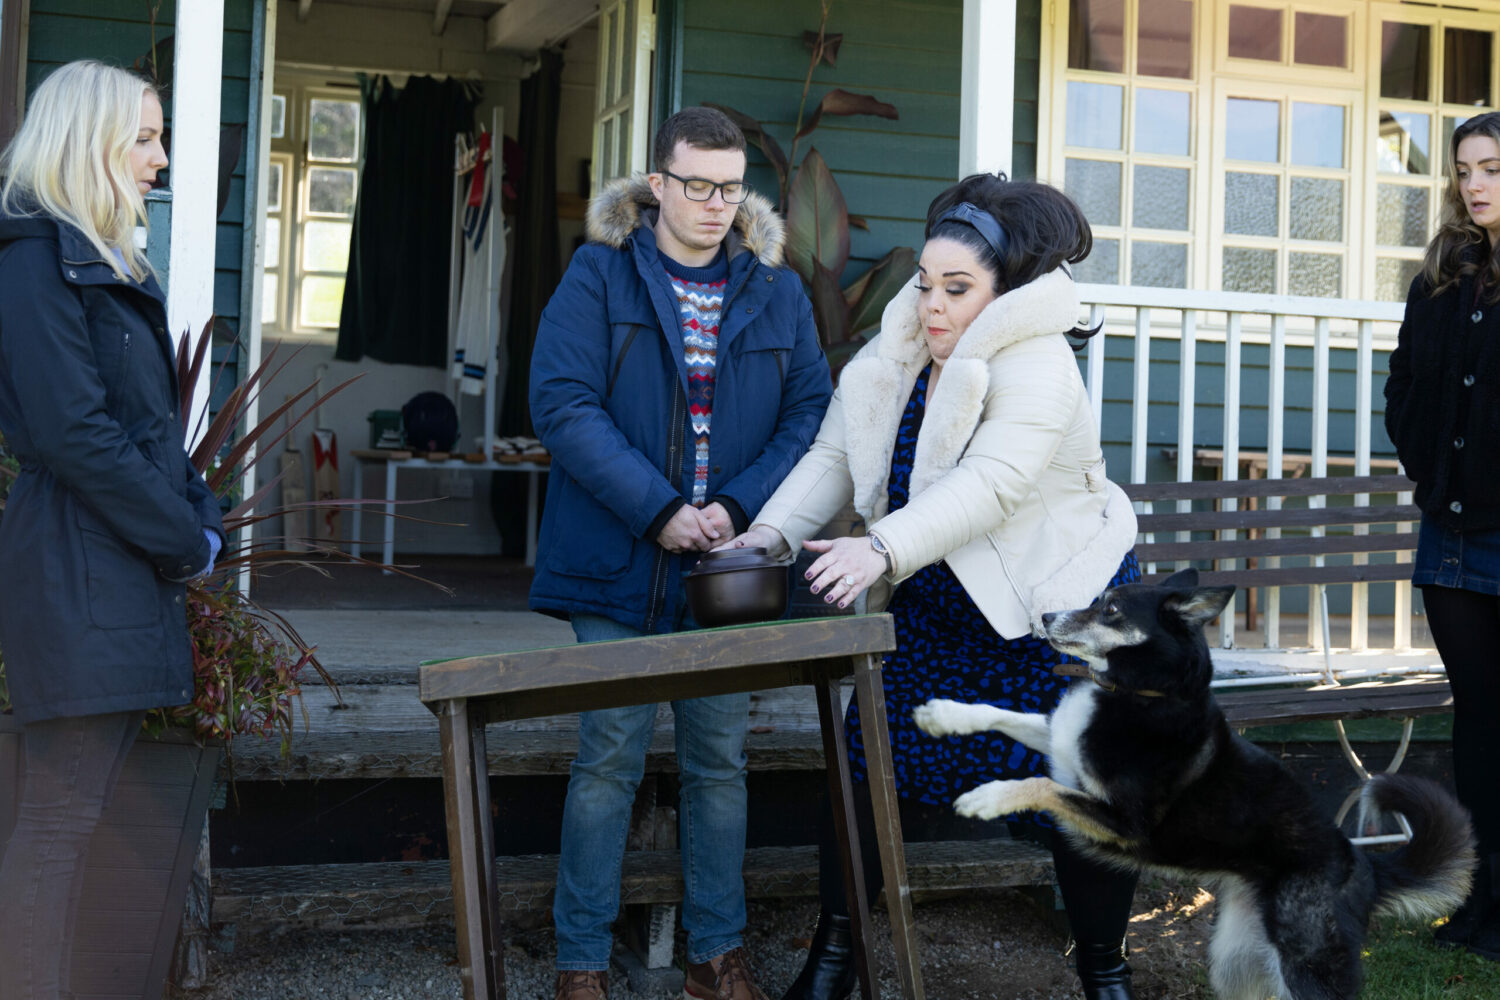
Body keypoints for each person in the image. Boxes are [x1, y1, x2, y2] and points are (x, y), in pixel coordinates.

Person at [727, 173, 1143, 1000]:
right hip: (934, 616)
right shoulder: (898, 355)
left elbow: (994, 483)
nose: (932, 305)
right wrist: (766, 535)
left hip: (1046, 615)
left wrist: (879, 548)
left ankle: (1105, 974)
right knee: (861, 769)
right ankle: (834, 962)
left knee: (1081, 794)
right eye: (924, 283)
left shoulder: (1041, 365)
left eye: (958, 289)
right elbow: (837, 458)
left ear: (1008, 293)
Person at [528, 106, 832, 1000]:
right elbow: (562, 403)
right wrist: (658, 509)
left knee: (717, 762)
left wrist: (738, 507)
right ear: (657, 183)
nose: (714, 204)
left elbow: (809, 413)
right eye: (696, 185)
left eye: (730, 187)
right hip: (616, 559)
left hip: (727, 567)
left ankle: (716, 954)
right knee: (608, 758)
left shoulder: (775, 291)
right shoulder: (598, 276)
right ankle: (580, 961)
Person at [0, 61, 226, 1000]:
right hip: (76, 568)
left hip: (114, 568)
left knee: (72, 821)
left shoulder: (101, 258)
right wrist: (181, 536)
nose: (160, 158)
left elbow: (147, 428)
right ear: (86, 140)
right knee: (57, 827)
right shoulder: (33, 260)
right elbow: (74, 434)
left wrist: (198, 516)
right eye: (144, 137)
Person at [1384, 109, 1500, 964]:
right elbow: (1401, 387)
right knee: (1479, 724)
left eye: (1492, 168)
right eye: (1464, 170)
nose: (1475, 185)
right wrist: (1429, 466)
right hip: (1450, 535)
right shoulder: (1438, 278)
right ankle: (1480, 899)